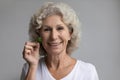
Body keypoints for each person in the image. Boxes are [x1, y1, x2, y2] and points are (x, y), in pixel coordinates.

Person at [21, 2, 99, 80]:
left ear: (70, 33)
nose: (53, 37)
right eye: (47, 29)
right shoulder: (29, 68)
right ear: (39, 36)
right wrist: (33, 66)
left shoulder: (87, 71)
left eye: (60, 28)